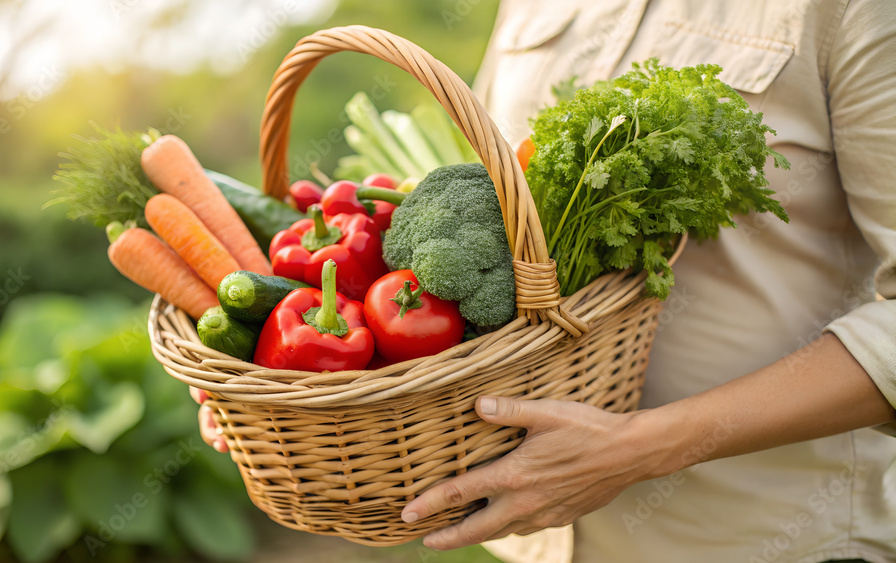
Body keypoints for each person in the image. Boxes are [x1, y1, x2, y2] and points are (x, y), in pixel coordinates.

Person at [195, 0, 896, 561]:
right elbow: (494, 203)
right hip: (525, 544)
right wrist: (272, 387)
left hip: (762, 538)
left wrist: (643, 446)